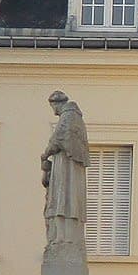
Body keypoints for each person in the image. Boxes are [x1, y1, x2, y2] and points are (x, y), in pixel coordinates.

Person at [41, 91, 89, 249]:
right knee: (66, 200)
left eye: (52, 105)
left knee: (64, 199)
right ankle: (62, 237)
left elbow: (59, 138)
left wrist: (46, 153)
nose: (53, 110)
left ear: (57, 103)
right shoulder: (75, 117)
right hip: (67, 165)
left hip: (66, 166)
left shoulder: (68, 116)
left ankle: (63, 238)